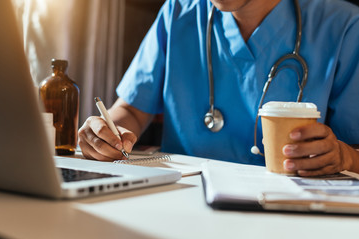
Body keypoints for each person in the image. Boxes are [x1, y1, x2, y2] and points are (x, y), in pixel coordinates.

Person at [78, 0, 359, 177]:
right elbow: (131, 110)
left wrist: (344, 156)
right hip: (178, 198)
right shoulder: (177, 13)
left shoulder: (344, 26)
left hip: (291, 211)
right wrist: (106, 132)